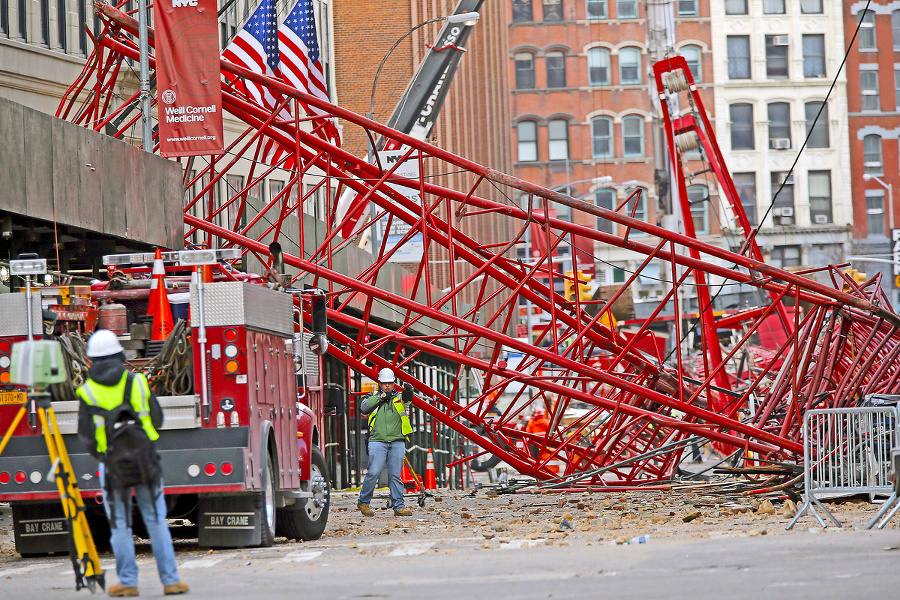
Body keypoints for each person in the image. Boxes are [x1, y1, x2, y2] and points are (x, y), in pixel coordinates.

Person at [76, 329, 189, 597]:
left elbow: (86, 436)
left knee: (120, 524)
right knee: (156, 520)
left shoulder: (87, 392)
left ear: (91, 360)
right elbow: (158, 420)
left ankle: (128, 583)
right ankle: (171, 581)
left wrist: (105, 455)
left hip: (112, 464)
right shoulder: (136, 382)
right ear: (119, 355)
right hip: (145, 460)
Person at [357, 367, 414, 517]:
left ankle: (399, 507)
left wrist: (409, 389)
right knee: (373, 472)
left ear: (394, 383)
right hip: (377, 441)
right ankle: (363, 502)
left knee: (395, 475)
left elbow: (408, 399)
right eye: (384, 383)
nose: (387, 386)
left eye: (389, 383)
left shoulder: (399, 398)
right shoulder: (372, 396)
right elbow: (363, 407)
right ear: (379, 383)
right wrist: (381, 397)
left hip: (397, 441)